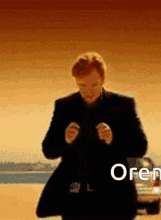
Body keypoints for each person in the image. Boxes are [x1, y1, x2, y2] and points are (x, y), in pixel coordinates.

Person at [36, 52, 148, 220]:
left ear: (103, 80)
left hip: (114, 200)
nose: (88, 92)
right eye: (82, 85)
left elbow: (140, 147)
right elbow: (48, 150)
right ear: (75, 81)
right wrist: (65, 140)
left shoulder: (123, 105)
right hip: (75, 200)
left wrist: (113, 139)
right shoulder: (64, 106)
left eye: (94, 85)